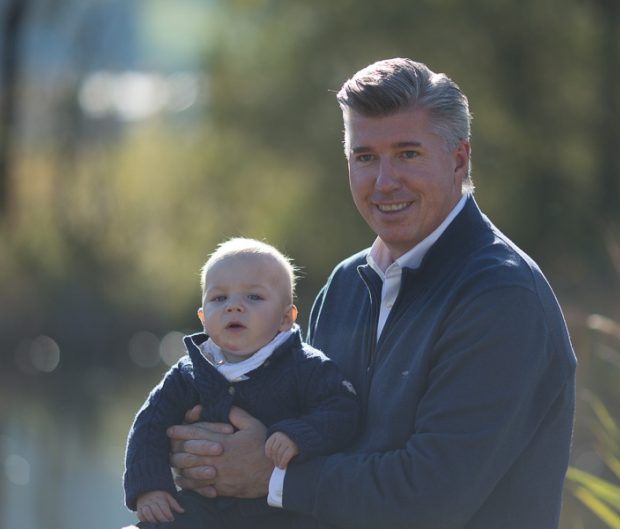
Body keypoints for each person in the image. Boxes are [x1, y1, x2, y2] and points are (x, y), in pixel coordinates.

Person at [166, 58, 577, 529]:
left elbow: (430, 498)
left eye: (408, 154)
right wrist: (208, 453)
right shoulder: (344, 286)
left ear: (459, 160)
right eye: (365, 157)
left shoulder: (501, 297)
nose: (384, 182)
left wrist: (271, 476)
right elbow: (293, 450)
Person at [122, 237, 360, 529]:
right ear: (203, 318)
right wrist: (150, 488)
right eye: (219, 298)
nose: (234, 307)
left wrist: (297, 435)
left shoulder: (305, 366)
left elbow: (342, 409)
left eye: (254, 297)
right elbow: (149, 424)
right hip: (205, 504)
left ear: (285, 318)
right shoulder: (190, 371)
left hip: (281, 508)